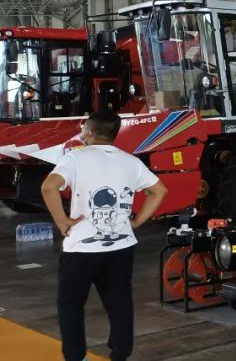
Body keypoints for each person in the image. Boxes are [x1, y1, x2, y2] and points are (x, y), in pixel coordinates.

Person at [40, 110, 168, 361]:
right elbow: (159, 191)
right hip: (121, 247)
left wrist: (61, 221)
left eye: (83, 129)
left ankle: (76, 356)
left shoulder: (75, 157)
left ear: (89, 132)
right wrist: (137, 221)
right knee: (119, 302)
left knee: (71, 304)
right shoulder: (131, 161)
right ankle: (120, 353)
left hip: (81, 249)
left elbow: (48, 187)